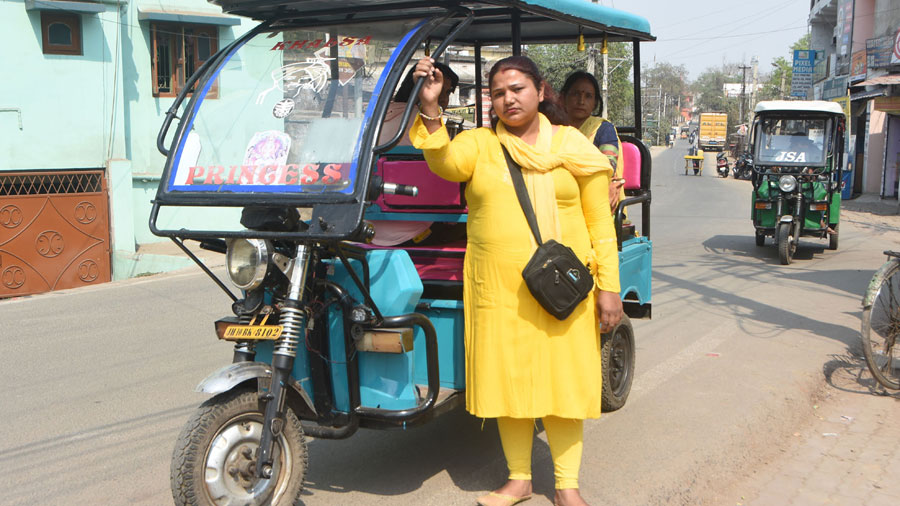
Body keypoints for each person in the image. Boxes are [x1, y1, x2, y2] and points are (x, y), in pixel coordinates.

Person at [410, 55, 623, 506]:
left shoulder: (571, 145)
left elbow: (600, 224)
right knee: (512, 384)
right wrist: (431, 108)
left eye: (518, 88)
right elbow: (443, 161)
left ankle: (567, 487)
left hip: (562, 292)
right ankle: (520, 478)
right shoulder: (481, 144)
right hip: (501, 291)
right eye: (499, 92)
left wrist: (609, 288)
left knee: (563, 385)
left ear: (541, 90)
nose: (509, 99)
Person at [371, 62, 460, 246]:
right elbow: (448, 173)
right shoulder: (425, 124)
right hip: (412, 232)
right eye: (440, 91)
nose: (444, 100)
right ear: (421, 90)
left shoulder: (374, 117)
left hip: (365, 226)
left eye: (447, 93)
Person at [560, 71, 625, 213]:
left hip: (596, 194)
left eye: (588, 96)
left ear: (595, 103)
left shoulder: (603, 129)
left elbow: (609, 166)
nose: (581, 101)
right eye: (576, 94)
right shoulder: (554, 127)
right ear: (564, 97)